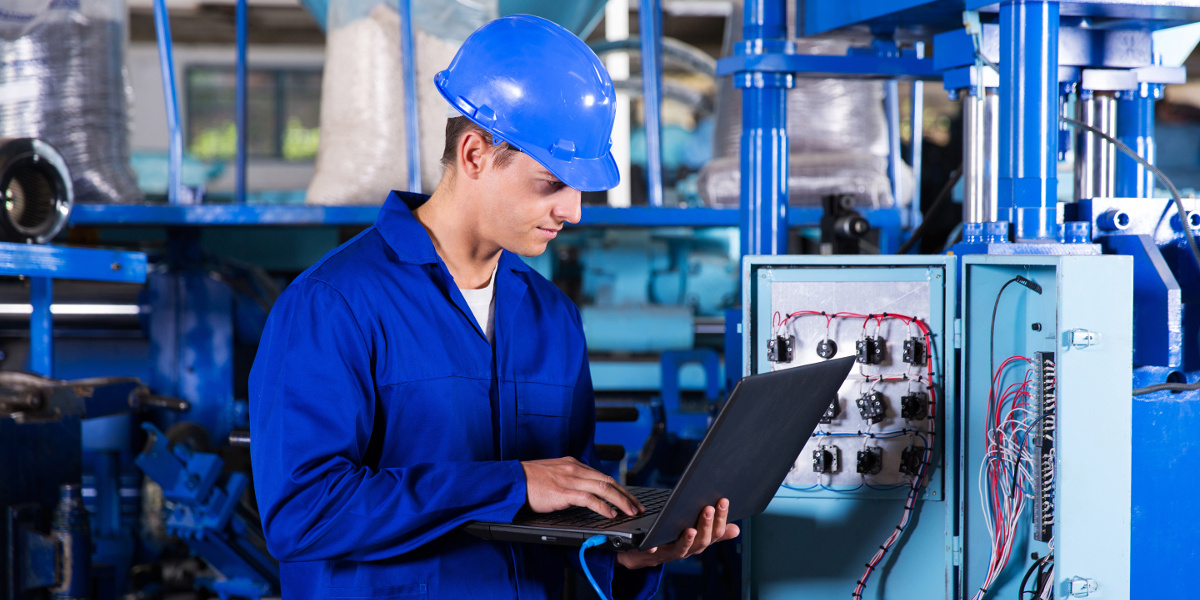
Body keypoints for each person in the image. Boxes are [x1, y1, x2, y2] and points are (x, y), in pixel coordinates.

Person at [248, 14, 738, 600]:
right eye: (552, 183)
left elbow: (562, 528)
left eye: (581, 189)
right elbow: (303, 514)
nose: (574, 212)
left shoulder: (552, 318)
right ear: (476, 153)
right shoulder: (332, 305)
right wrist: (510, 483)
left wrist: (623, 556)